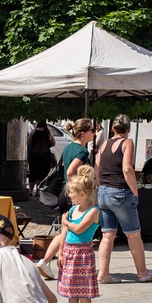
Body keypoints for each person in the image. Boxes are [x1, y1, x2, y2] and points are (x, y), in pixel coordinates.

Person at [95, 114, 152, 284]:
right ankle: (142, 272)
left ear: (113, 129)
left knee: (107, 234)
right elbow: (127, 168)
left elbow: (97, 167)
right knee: (134, 234)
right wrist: (135, 191)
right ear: (128, 129)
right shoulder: (127, 143)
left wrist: (102, 186)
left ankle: (103, 274)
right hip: (120, 191)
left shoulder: (104, 144)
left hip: (103, 192)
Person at [35, 118, 95, 279]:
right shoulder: (82, 151)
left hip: (65, 194)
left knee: (64, 231)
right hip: (71, 194)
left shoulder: (69, 147)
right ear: (83, 133)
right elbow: (70, 172)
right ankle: (46, 261)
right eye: (91, 130)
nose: (94, 133)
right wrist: (74, 188)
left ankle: (46, 261)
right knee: (67, 232)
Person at [56, 167, 100, 303]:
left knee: (83, 287)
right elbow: (65, 233)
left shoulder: (93, 211)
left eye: (72, 193)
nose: (69, 196)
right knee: (71, 286)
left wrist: (65, 221)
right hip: (69, 251)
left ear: (82, 194)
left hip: (83, 253)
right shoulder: (74, 209)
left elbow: (79, 228)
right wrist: (60, 252)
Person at [27, 121, 55, 196]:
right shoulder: (48, 132)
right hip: (45, 155)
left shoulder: (33, 132)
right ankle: (38, 191)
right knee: (42, 173)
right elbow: (53, 143)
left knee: (33, 172)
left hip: (34, 155)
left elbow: (28, 142)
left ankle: (30, 190)